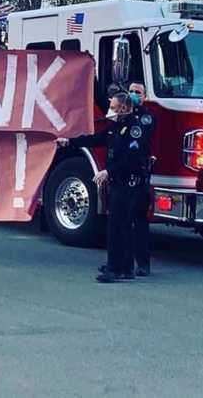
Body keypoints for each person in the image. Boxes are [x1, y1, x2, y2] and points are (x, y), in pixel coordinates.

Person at [58, 83, 156, 283]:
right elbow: (96, 139)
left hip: (129, 184)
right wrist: (69, 141)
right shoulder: (115, 128)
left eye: (113, 106)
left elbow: (131, 158)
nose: (110, 109)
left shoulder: (133, 129)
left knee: (117, 227)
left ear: (122, 108)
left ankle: (114, 269)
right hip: (119, 183)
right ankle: (125, 267)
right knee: (121, 226)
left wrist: (107, 171)